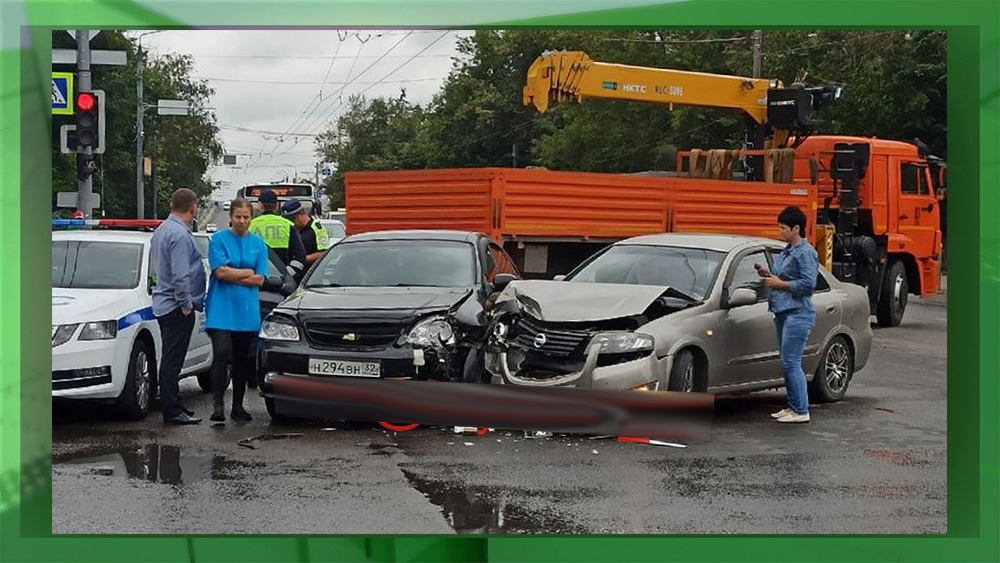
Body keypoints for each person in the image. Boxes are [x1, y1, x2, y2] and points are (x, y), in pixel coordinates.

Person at [204, 198, 270, 422]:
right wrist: (246, 272)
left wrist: (233, 273)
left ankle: (238, 406)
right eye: (238, 217)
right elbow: (219, 273)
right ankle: (218, 406)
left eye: (246, 217)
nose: (242, 221)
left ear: (251, 218)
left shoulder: (259, 244)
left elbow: (260, 279)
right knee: (222, 354)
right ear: (231, 217)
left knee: (243, 358)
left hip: (246, 310)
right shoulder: (219, 239)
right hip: (221, 308)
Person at [756, 205, 819, 424]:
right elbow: (782, 275)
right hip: (782, 312)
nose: (780, 232)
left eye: (784, 228)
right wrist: (768, 274)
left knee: (792, 362)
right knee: (786, 362)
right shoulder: (787, 251)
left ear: (796, 228)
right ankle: (793, 406)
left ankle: (801, 410)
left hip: (798, 313)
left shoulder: (806, 252)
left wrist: (779, 284)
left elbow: (809, 284)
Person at [151, 188, 206, 425]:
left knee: (171, 358)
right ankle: (172, 410)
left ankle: (174, 404)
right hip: (176, 306)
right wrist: (185, 304)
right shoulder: (181, 235)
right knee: (173, 360)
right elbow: (180, 275)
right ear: (192, 209)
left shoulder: (163, 229)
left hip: (165, 303)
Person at [249, 188, 306, 280]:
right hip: (282, 283)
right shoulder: (288, 225)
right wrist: (286, 275)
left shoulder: (251, 225)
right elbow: (300, 257)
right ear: (276, 206)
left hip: (256, 279)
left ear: (260, 205)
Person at [282, 199, 331, 267]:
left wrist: (301, 259)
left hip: (309, 272)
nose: (291, 222)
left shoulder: (317, 229)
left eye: (293, 219)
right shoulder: (291, 229)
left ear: (301, 213)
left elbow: (323, 253)